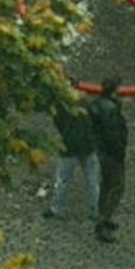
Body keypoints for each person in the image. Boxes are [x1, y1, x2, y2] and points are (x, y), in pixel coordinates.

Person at [47, 79, 100, 222]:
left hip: (69, 146)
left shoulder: (60, 106)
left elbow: (58, 122)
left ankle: (58, 209)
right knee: (92, 180)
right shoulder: (86, 103)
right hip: (88, 145)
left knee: (62, 179)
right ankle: (95, 210)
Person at [89, 79, 130, 240]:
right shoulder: (112, 110)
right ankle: (103, 221)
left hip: (101, 151)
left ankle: (104, 217)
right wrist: (120, 152)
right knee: (117, 187)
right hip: (112, 154)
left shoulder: (96, 105)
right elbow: (114, 135)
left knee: (106, 185)